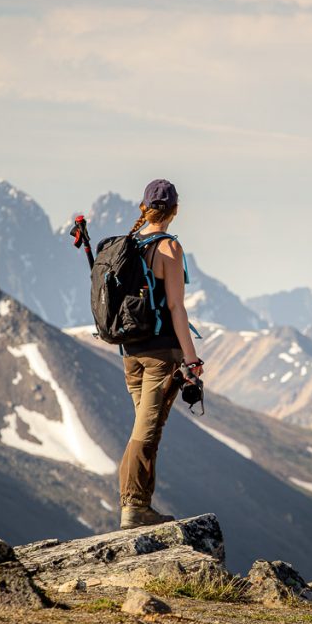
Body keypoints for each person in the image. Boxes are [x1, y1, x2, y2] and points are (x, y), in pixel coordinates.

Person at [118, 178, 204, 529]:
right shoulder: (169, 248)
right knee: (147, 430)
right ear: (175, 210)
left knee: (148, 426)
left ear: (144, 207)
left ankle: (141, 505)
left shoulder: (130, 245)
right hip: (159, 353)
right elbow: (176, 307)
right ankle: (133, 506)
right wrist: (191, 359)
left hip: (130, 352)